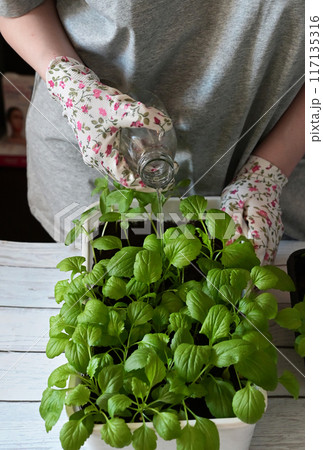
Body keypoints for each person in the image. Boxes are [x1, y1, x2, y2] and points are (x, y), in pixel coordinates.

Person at [0, 0, 305, 263]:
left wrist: (271, 169)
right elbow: (17, 7)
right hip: (98, 152)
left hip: (278, 168)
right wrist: (74, 87)